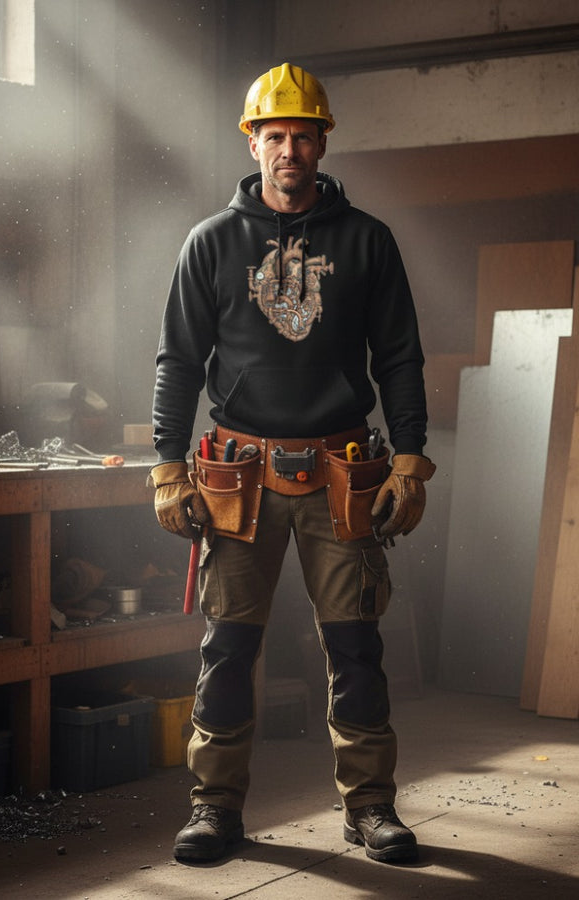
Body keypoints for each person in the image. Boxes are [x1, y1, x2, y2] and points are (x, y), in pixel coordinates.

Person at [151, 62, 435, 866]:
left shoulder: (367, 241)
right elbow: (178, 362)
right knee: (228, 649)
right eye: (274, 135)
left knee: (355, 645)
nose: (288, 150)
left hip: (343, 470)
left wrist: (409, 457)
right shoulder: (211, 242)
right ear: (253, 142)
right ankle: (214, 808)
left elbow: (400, 358)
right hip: (237, 474)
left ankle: (370, 806)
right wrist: (168, 467)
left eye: (302, 136)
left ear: (322, 143)